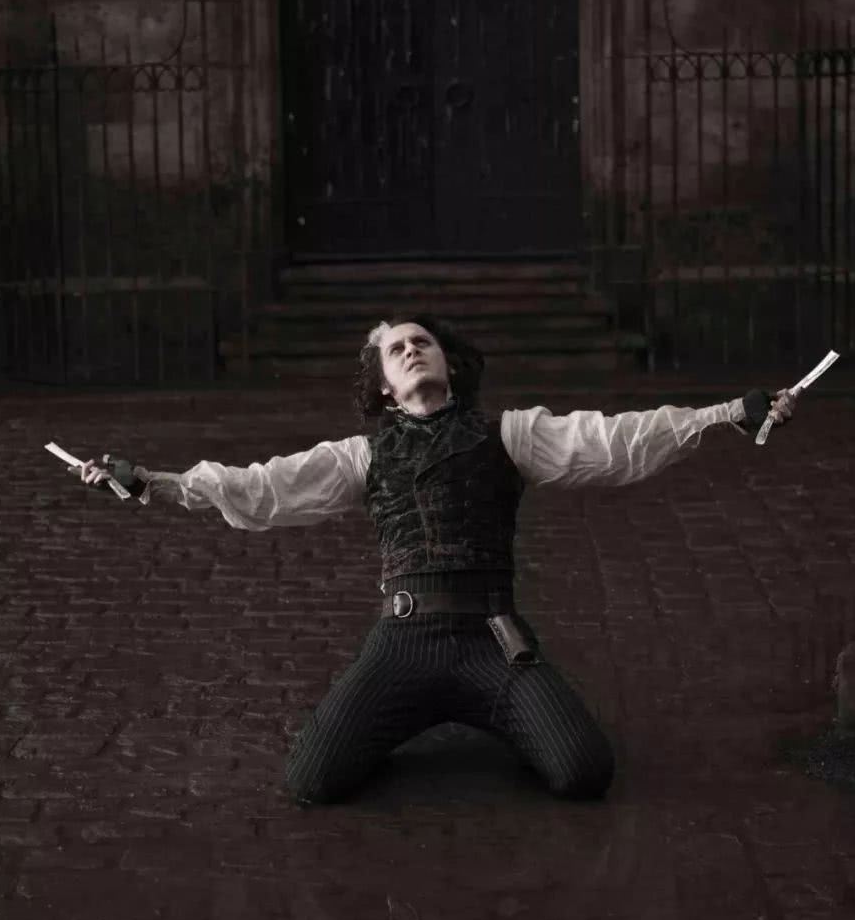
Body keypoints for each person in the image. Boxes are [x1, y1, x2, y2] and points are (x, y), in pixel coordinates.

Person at [73, 314, 797, 807]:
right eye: (397, 350)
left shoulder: (510, 434)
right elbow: (261, 488)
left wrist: (728, 414)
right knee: (311, 780)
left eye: (423, 341)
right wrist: (151, 482)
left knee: (584, 770)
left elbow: (614, 441)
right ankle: (412, 707)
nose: (413, 350)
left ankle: (489, 710)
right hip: (402, 642)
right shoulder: (360, 455)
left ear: (449, 361)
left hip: (493, 640)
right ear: (383, 385)